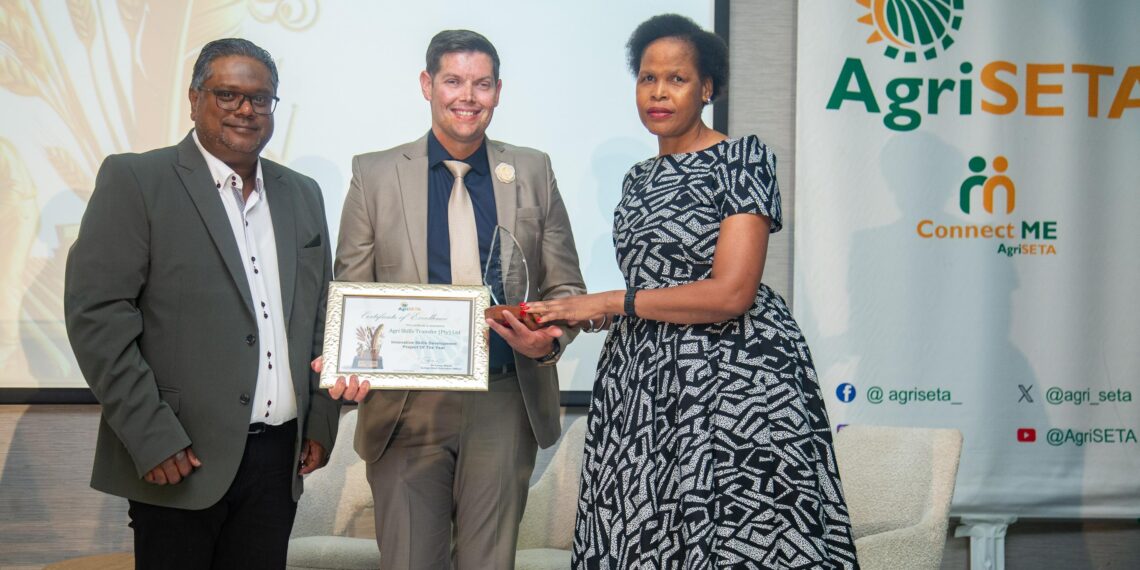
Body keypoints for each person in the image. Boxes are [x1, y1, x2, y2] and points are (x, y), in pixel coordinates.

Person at [524, 14, 860, 569]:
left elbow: (732, 293)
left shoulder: (743, 158)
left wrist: (610, 302)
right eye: (647, 78)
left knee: (743, 539)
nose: (658, 92)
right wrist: (571, 315)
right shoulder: (637, 178)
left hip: (735, 382)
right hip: (643, 383)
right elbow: (652, 284)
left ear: (707, 88)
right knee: (638, 534)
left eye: (677, 79)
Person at [64, 38, 339, 569]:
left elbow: (322, 316)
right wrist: (151, 437)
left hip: (278, 458)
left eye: (261, 99)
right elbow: (97, 317)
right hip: (179, 454)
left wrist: (321, 420)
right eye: (228, 94)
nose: (245, 109)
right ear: (194, 99)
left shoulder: (302, 194)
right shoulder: (137, 181)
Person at [329, 29, 587, 569]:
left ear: (498, 91)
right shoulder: (373, 174)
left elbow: (567, 290)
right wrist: (344, 357)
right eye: (453, 81)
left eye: (482, 84)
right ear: (427, 85)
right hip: (407, 407)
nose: (467, 96)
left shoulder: (533, 170)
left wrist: (548, 340)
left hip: (503, 397)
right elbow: (352, 293)